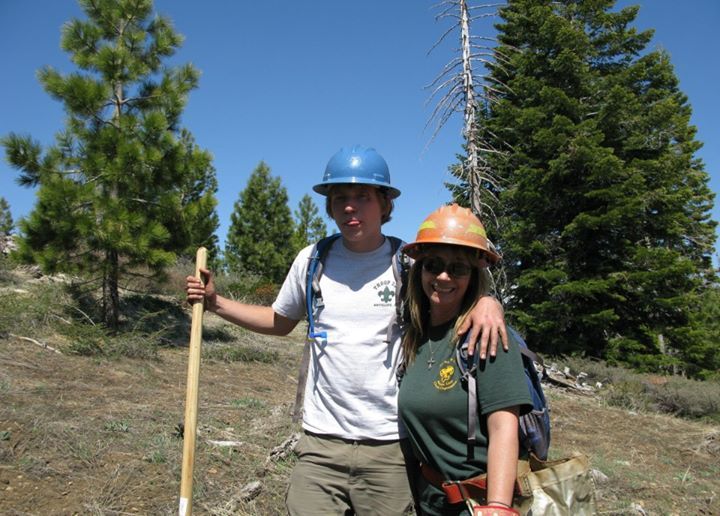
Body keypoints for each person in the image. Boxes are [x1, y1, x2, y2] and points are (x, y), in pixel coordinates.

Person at [186, 146, 508, 515]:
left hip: (390, 446)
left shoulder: (408, 263)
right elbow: (280, 320)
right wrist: (216, 303)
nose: (350, 207)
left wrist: (488, 302)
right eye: (340, 198)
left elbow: (449, 295)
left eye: (362, 196)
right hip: (320, 444)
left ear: (385, 204)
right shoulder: (312, 260)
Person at [398, 204, 533, 516]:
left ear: (473, 275)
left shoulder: (486, 334)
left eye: (458, 268)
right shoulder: (415, 336)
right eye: (433, 265)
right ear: (420, 269)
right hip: (430, 500)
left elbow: (503, 428)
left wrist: (498, 507)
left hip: (477, 505)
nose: (443, 276)